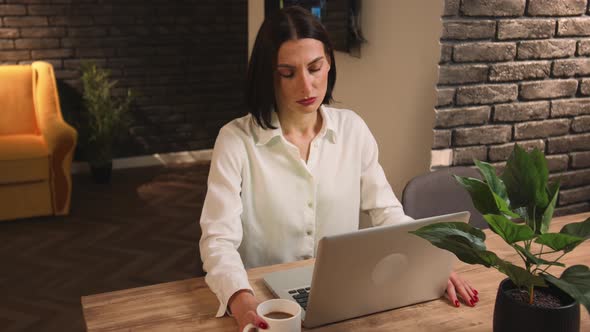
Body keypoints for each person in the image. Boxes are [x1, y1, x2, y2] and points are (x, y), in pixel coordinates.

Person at [199, 6, 478, 331]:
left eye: (315, 68)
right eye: (287, 73)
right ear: (267, 75)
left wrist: (429, 263)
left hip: (346, 297)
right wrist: (241, 300)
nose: (306, 86)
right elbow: (218, 240)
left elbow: (386, 212)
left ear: (329, 63)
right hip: (266, 303)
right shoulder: (235, 141)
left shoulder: (352, 129)